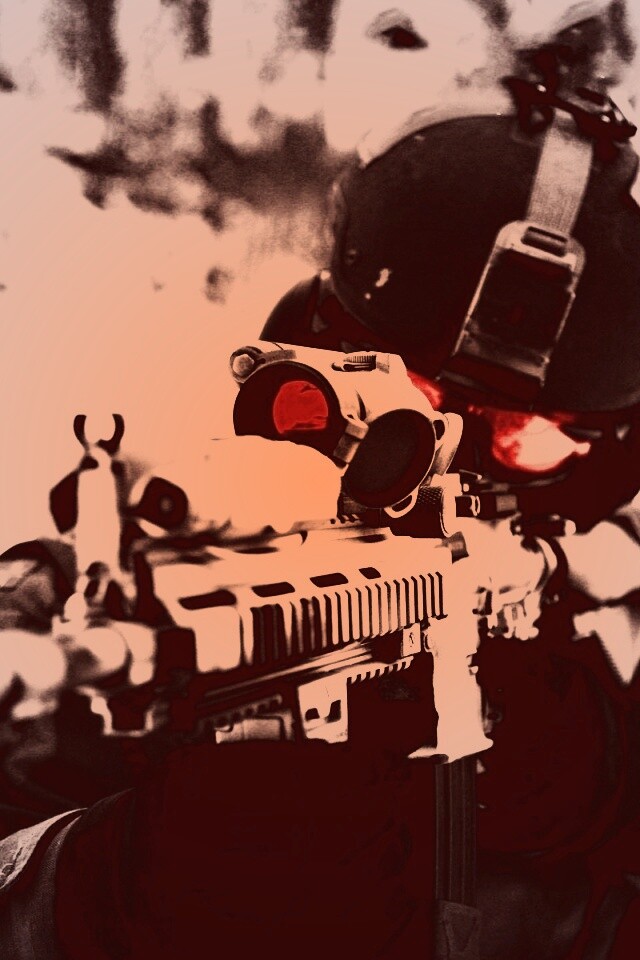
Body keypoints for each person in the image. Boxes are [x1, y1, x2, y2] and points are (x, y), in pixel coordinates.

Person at [1, 13, 640, 960]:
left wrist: (582, 770)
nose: (459, 453)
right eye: (420, 405)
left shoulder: (606, 569)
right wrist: (89, 893)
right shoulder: (144, 581)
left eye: (521, 429)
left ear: (604, 437)